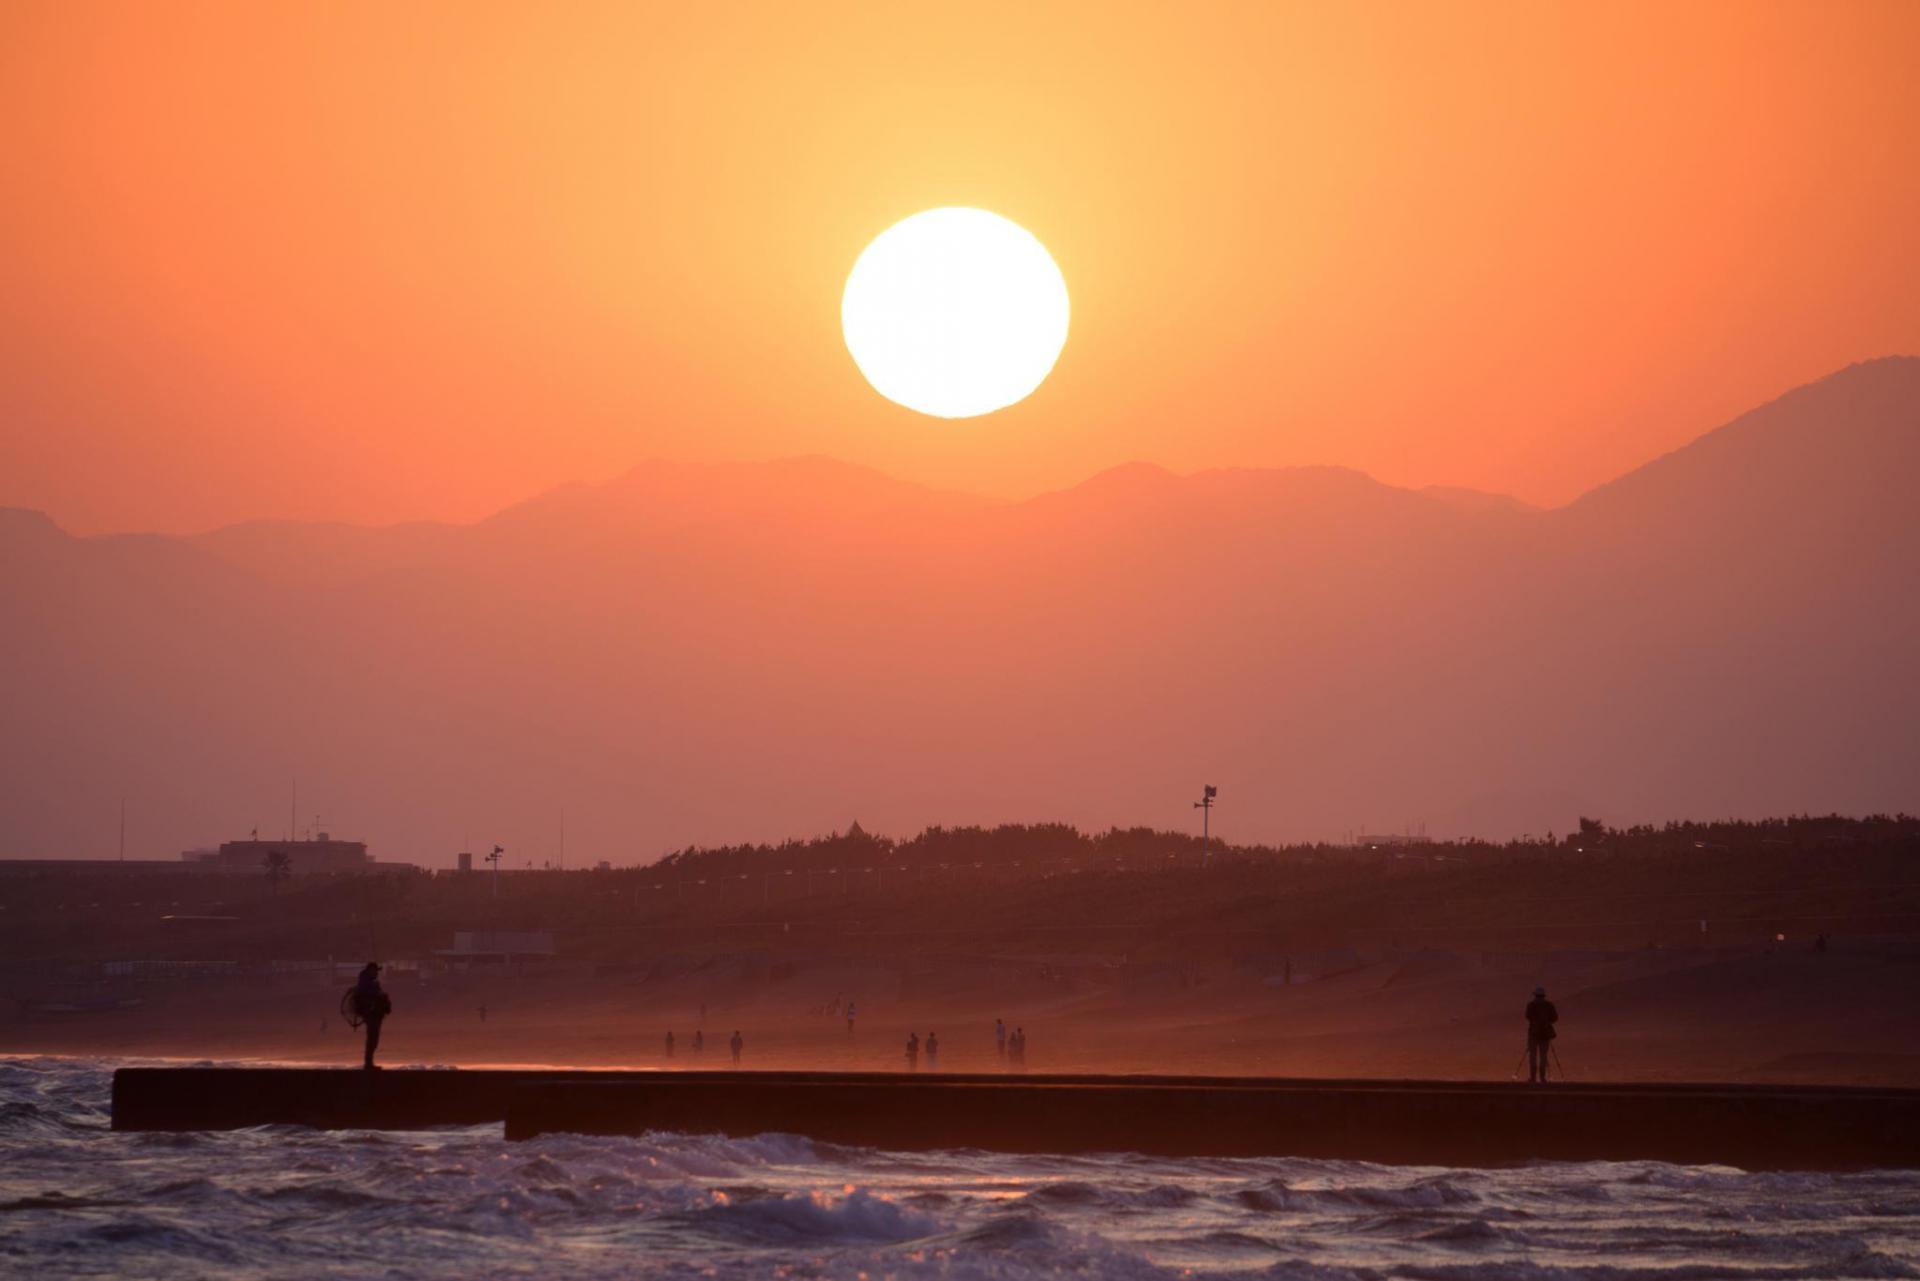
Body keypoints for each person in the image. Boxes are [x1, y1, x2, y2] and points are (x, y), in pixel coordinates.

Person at [352, 962, 392, 1070]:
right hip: (370, 1013)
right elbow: (368, 994)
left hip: (374, 1014)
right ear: (370, 970)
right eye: (375, 971)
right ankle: (368, 1064)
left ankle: (369, 1063)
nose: (377, 973)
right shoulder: (365, 982)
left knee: (373, 1038)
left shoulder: (369, 981)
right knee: (372, 1038)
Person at [1525, 986, 1558, 1083]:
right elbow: (1555, 1018)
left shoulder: (1531, 1005)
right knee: (1543, 1056)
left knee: (1533, 1056)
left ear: (1535, 995)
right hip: (1545, 1034)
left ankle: (1533, 1078)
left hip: (1533, 1034)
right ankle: (1543, 1078)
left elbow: (1527, 1016)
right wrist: (1547, 1022)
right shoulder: (1549, 1005)